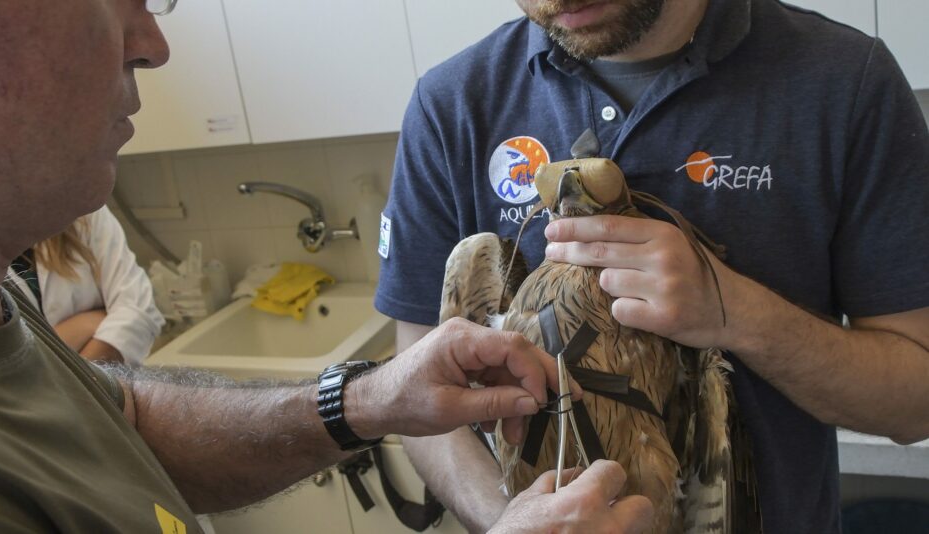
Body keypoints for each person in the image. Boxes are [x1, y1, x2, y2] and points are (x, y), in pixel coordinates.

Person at [0, 0, 653, 532]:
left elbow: (123, 420)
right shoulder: (453, 100)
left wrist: (363, 402)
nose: (154, 46)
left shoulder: (0, 309)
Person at [375, 0, 929, 532]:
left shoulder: (844, 80)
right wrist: (513, 525)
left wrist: (734, 311)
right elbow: (424, 405)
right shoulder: (451, 104)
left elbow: (915, 402)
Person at [8, 206, 164, 365]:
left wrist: (72, 381)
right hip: (37, 388)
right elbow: (3, 366)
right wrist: (88, 323)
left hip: (106, 385)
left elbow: (140, 312)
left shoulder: (86, 209)